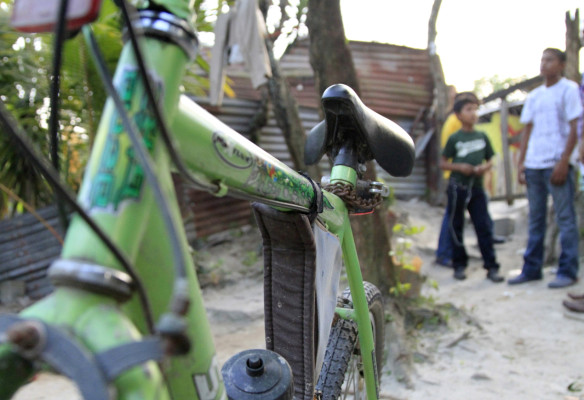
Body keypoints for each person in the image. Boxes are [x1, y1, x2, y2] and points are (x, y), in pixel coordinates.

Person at [508, 48, 583, 288]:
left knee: (564, 218)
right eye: (542, 59)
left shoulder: (569, 89)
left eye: (549, 59)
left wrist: (564, 161)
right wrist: (521, 164)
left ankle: (568, 271)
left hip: (556, 164)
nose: (544, 64)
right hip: (534, 164)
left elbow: (574, 127)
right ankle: (531, 269)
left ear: (561, 64)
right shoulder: (534, 96)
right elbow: (526, 132)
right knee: (536, 219)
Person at [435, 92, 505, 268]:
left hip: (478, 188)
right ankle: (458, 264)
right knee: (455, 225)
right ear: (458, 114)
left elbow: (491, 159)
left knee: (483, 226)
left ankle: (491, 265)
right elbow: (442, 162)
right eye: (469, 109)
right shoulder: (455, 136)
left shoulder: (482, 137)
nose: (473, 113)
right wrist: (460, 168)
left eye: (475, 109)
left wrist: (485, 168)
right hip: (457, 187)